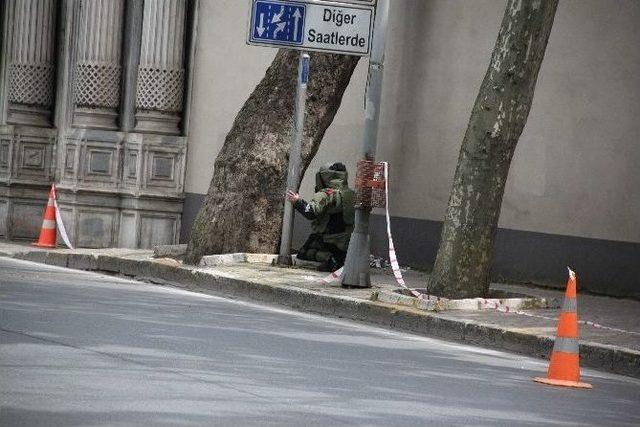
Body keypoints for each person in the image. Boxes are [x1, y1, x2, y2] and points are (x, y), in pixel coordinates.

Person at [286, 162, 355, 272]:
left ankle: (334, 259)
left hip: (330, 240)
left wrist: (297, 201)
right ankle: (341, 257)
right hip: (350, 240)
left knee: (304, 253)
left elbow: (311, 213)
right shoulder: (351, 193)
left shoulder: (326, 194)